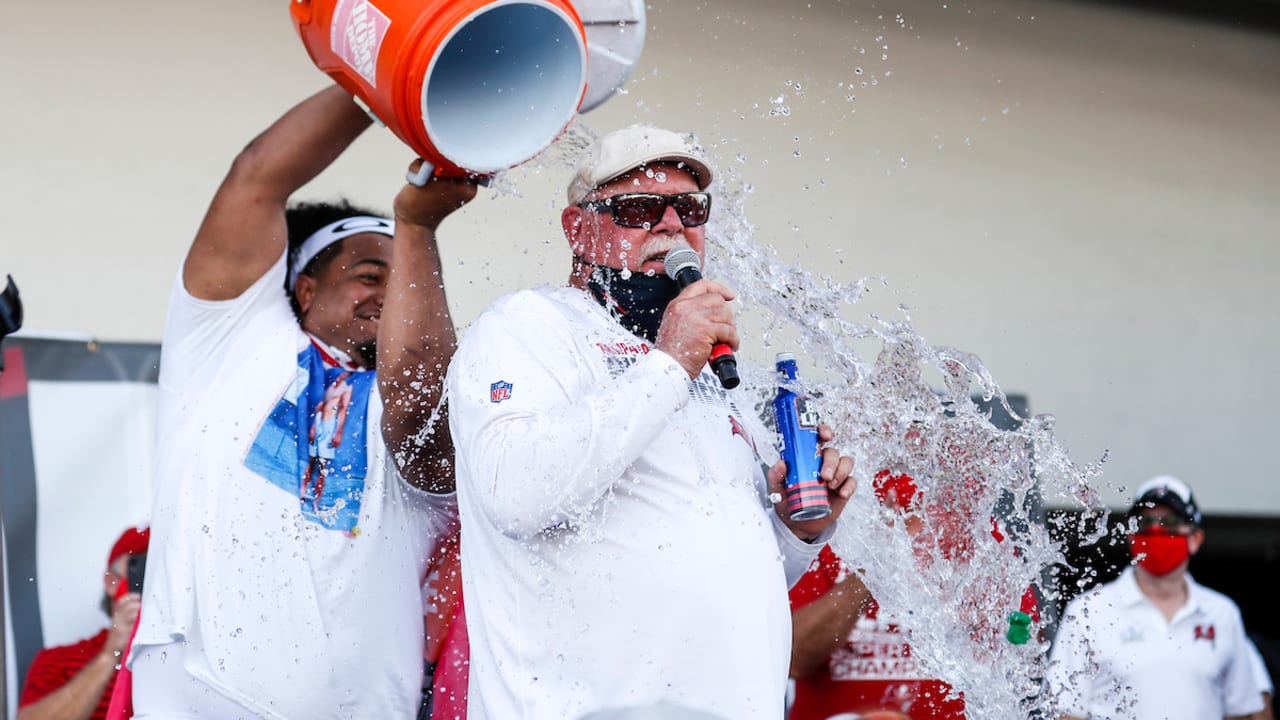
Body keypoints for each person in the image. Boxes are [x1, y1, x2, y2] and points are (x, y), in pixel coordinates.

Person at [445, 123, 858, 719]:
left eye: (689, 207)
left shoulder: (709, 366)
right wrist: (669, 364)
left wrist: (795, 530)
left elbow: (727, 570)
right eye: (638, 208)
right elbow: (515, 495)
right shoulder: (528, 326)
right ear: (578, 229)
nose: (671, 224)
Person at [126, 83, 477, 718]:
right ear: (306, 289)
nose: (390, 295)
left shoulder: (421, 400)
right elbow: (257, 178)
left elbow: (422, 381)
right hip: (195, 698)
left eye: (407, 284)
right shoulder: (229, 342)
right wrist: (394, 77)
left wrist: (417, 225)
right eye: (371, 276)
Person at [1043, 474, 1265, 720]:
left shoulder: (1222, 614)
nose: (1156, 530)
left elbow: (1242, 710)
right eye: (1145, 521)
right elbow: (1065, 713)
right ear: (1131, 536)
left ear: (1195, 538)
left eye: (1169, 521)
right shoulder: (1089, 611)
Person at [17, 526, 149, 720]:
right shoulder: (59, 661)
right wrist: (110, 655)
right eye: (142, 567)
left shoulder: (192, 658)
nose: (154, 581)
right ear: (112, 582)